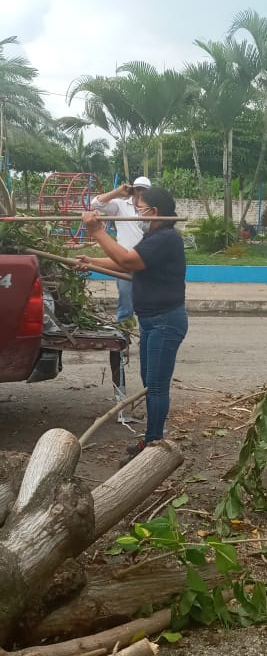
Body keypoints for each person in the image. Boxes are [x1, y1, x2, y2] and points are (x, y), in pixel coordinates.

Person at [80, 187, 188, 456]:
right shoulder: (153, 236)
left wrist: (97, 231)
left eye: (140, 208)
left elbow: (128, 261)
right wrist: (92, 261)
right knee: (150, 383)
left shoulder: (165, 238)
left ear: (154, 212)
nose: (136, 213)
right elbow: (126, 263)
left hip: (165, 321)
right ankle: (152, 438)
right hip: (151, 320)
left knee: (156, 386)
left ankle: (153, 443)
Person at [91, 178, 151, 324]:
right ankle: (124, 334)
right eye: (138, 189)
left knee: (149, 303)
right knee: (126, 304)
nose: (141, 193)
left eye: (145, 190)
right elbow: (96, 203)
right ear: (133, 190)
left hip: (147, 262)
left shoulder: (153, 210)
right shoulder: (121, 205)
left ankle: (147, 332)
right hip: (125, 261)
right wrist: (118, 192)